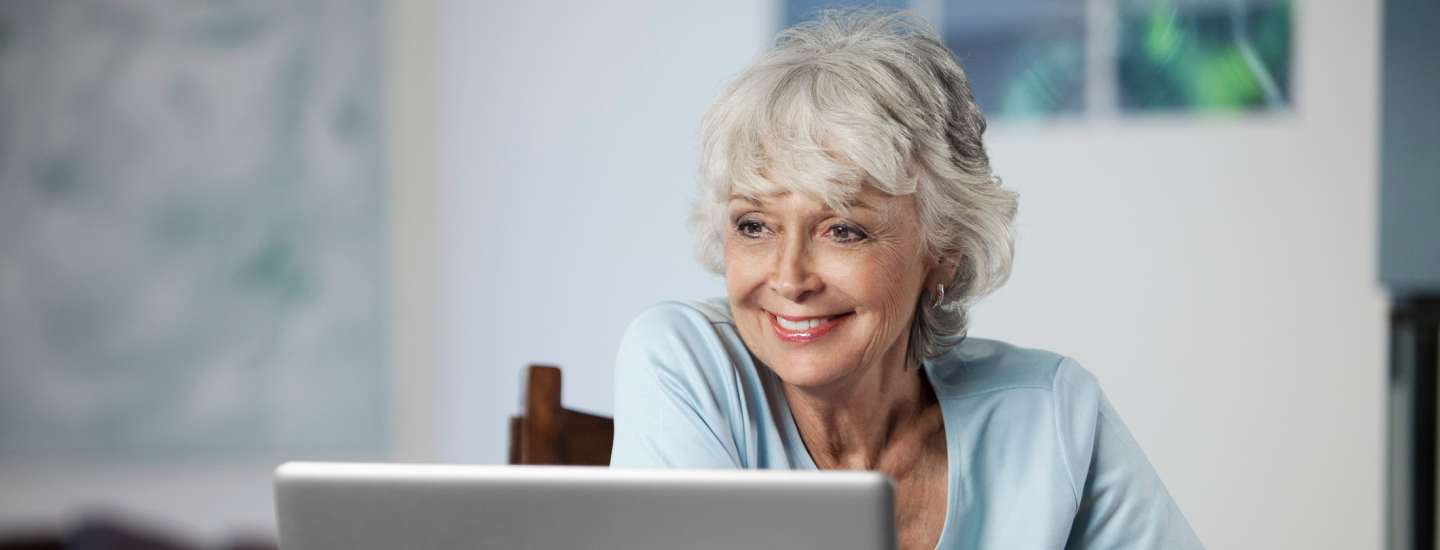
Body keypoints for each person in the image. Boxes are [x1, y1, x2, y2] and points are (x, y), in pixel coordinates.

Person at [609, 9, 1203, 550]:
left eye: (842, 230)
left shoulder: (1051, 413)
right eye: (755, 225)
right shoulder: (684, 361)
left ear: (942, 250)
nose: (789, 278)